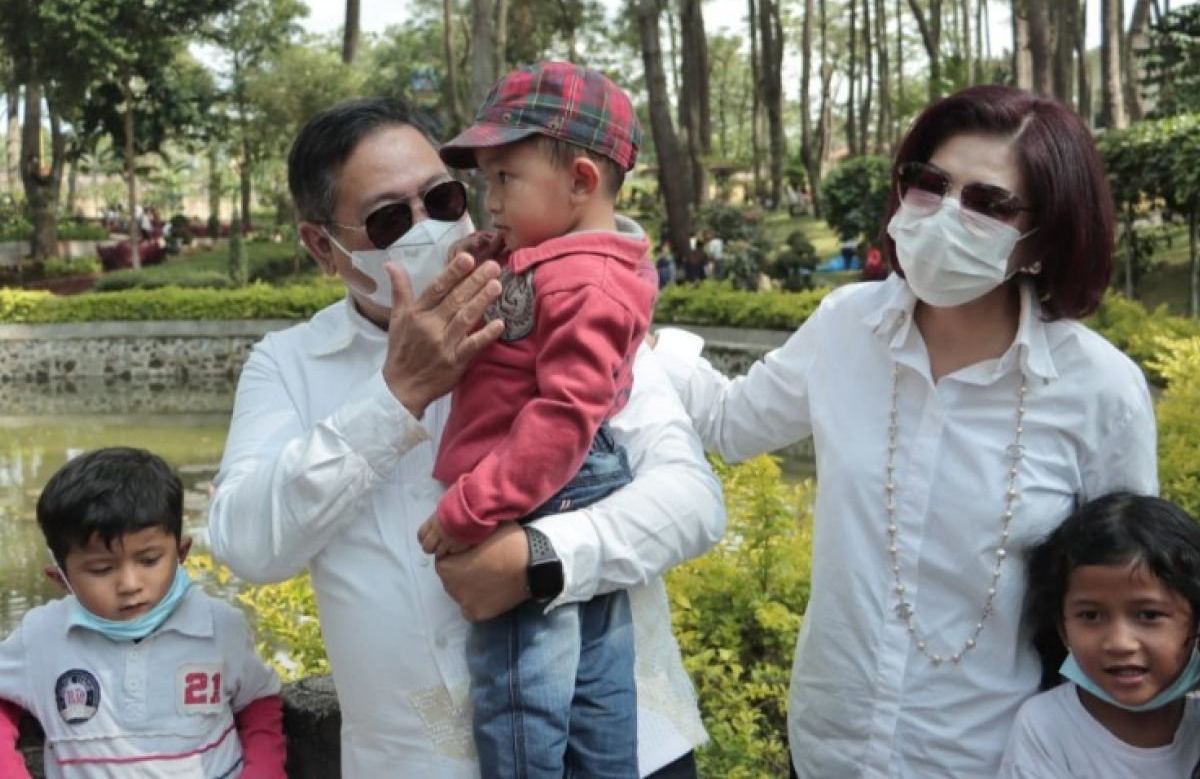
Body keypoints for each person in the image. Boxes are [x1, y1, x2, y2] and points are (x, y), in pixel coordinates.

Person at [207, 96, 724, 778]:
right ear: (321, 247)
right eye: (389, 219)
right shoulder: (290, 366)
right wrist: (397, 397)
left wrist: (541, 560)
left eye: (445, 199)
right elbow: (247, 543)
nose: (429, 229)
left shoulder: (564, 296)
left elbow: (693, 501)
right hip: (415, 761)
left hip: (618, 748)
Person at [652, 84, 1159, 776]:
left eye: (989, 202)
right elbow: (730, 423)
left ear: (1043, 241)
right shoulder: (844, 327)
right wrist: (630, 332)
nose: (947, 214)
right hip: (828, 745)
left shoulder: (1101, 391)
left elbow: (1131, 597)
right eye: (931, 183)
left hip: (991, 756)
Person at [421, 60, 655, 776]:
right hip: (566, 488)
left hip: (537, 495)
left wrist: (470, 510)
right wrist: (500, 256)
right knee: (594, 690)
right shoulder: (570, 260)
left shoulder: (587, 281)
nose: (487, 200)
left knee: (520, 693)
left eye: (504, 180)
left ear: (582, 181)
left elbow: (562, 416)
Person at [0, 447, 285, 778]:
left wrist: (264, 772)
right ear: (60, 578)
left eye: (149, 561)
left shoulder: (219, 627)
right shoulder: (42, 637)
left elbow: (259, 700)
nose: (130, 584)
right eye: (101, 569)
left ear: (181, 553)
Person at [999, 493, 1200, 777]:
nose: (1119, 642)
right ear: (1063, 628)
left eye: (1149, 615)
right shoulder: (1047, 727)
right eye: (1091, 616)